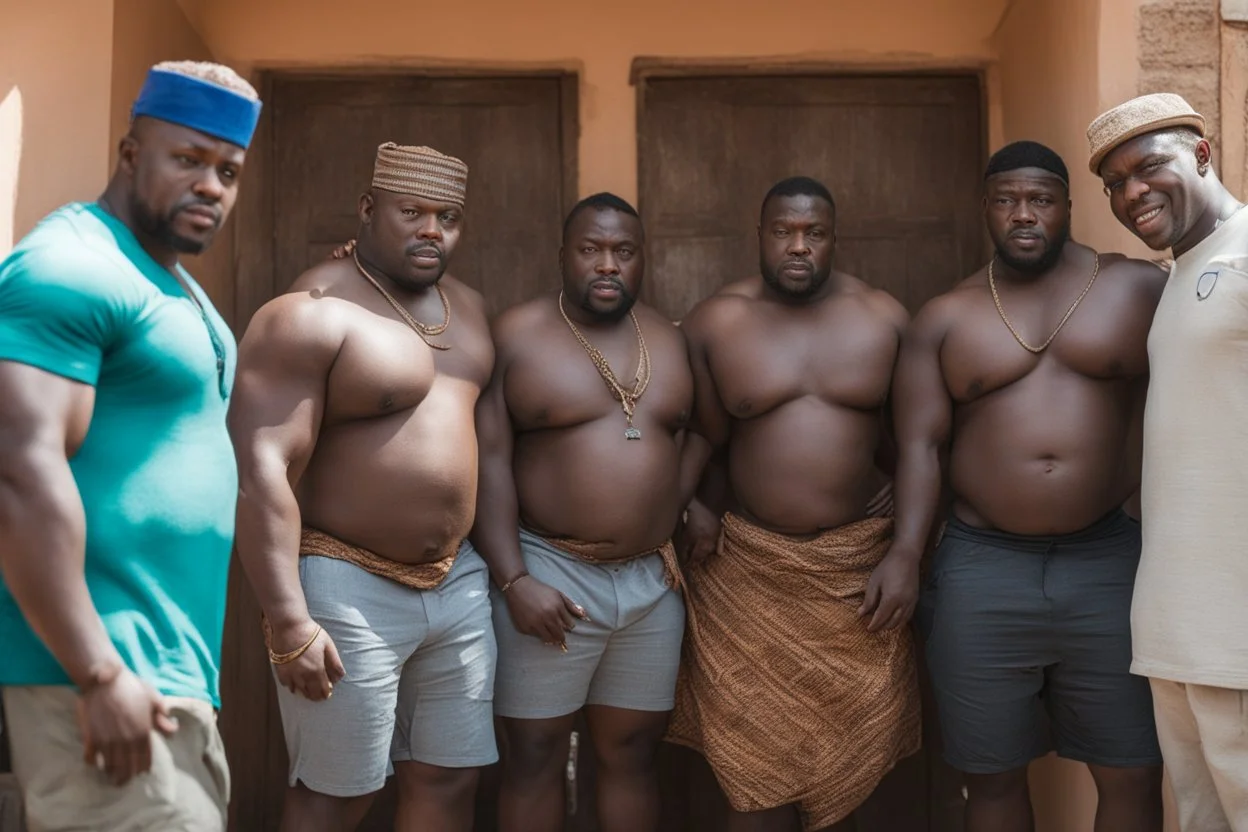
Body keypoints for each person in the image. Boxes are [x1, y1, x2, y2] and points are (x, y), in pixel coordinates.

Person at [0, 61, 261, 831]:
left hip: (172, 676)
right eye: (188, 160)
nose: (211, 185)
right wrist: (97, 672)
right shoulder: (69, 267)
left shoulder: (174, 285)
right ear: (129, 153)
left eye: (229, 170)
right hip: (98, 674)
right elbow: (19, 469)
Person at [889, 141, 1167, 832]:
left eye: (1040, 199)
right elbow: (920, 447)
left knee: (1133, 768)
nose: (1023, 214)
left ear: (1068, 207)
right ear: (985, 208)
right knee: (990, 775)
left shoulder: (1136, 288)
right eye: (1007, 200)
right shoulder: (945, 317)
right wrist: (902, 552)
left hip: (1108, 558)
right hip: (984, 566)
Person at [228, 142, 496, 832]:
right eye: (412, 212)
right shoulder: (309, 311)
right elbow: (262, 470)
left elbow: (489, 447)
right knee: (337, 792)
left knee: (449, 780)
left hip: (458, 583)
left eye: (449, 216)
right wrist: (289, 622)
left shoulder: (468, 308)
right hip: (346, 583)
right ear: (369, 209)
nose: (432, 230)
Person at [668, 176, 919, 832]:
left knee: (854, 762)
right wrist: (690, 502)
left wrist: (907, 542)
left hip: (856, 577)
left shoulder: (884, 318)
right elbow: (702, 435)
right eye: (784, 232)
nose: (798, 246)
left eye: (814, 233)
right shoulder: (717, 321)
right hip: (749, 573)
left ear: (836, 238)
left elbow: (917, 442)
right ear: (761, 235)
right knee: (753, 768)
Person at [468, 192, 691, 832]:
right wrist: (515, 581)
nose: (607, 265)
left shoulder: (672, 339)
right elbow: (489, 460)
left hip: (651, 582)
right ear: (563, 255)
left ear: (642, 258)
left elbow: (702, 435)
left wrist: (684, 504)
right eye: (590, 249)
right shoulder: (516, 334)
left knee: (631, 754)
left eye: (623, 252)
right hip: (547, 572)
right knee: (534, 755)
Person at [1089, 93, 1248, 832]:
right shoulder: (1177, 278)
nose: (1131, 192)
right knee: (1198, 817)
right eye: (1114, 182)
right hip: (1175, 625)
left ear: (1203, 155)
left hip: (1237, 625)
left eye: (1149, 166)